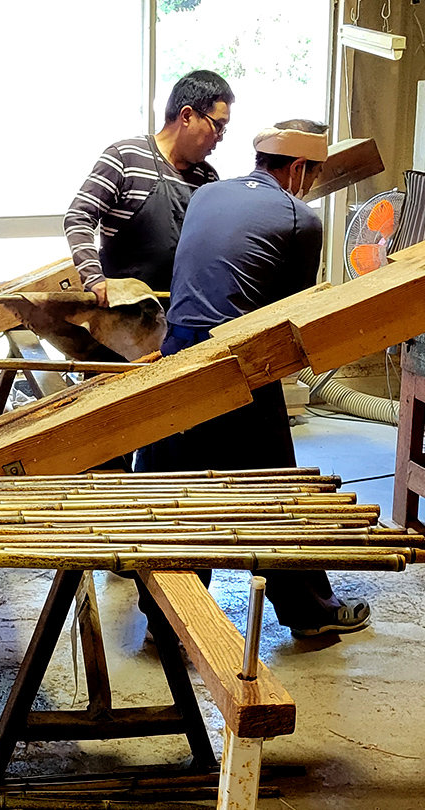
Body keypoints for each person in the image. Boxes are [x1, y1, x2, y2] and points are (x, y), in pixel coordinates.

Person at [135, 119, 371, 638]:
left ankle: (163, 620)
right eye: (310, 174)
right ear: (299, 169)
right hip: (238, 359)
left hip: (174, 350)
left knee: (174, 487)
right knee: (276, 490)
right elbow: (290, 314)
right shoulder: (300, 217)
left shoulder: (206, 194)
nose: (307, 185)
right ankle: (310, 612)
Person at [64, 70, 235, 307]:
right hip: (121, 317)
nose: (220, 137)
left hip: (177, 315)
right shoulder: (126, 158)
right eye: (218, 125)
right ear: (187, 115)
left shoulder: (206, 178)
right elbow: (78, 217)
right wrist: (94, 278)